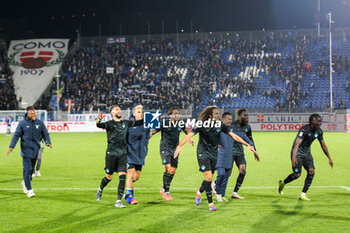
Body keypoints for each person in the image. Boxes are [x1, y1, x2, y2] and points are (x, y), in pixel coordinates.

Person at [174, 106, 259, 211]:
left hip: (214, 154)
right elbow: (189, 135)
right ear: (210, 115)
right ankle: (211, 204)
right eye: (216, 114)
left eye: (219, 113)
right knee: (209, 178)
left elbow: (234, 136)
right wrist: (179, 146)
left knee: (208, 179)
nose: (219, 115)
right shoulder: (201, 124)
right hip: (202, 153)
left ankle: (199, 192)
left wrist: (247, 145)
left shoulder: (220, 125)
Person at [95, 105, 143, 208]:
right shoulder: (109, 124)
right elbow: (98, 125)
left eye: (119, 109)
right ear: (112, 113)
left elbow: (139, 122)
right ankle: (100, 189)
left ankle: (118, 201)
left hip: (122, 155)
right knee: (109, 177)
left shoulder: (125, 123)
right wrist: (99, 119)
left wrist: (154, 118)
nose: (119, 110)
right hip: (111, 155)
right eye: (116, 109)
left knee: (122, 177)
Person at [278, 114, 333, 200]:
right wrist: (293, 158)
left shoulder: (319, 131)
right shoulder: (304, 130)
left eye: (320, 121)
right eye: (317, 121)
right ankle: (283, 183)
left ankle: (303, 194)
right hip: (298, 153)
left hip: (307, 154)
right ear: (312, 122)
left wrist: (329, 158)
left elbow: (323, 145)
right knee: (297, 175)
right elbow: (297, 145)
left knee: (311, 171)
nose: (320, 123)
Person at [7, 106, 52, 198]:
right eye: (31, 113)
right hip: (26, 151)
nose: (33, 115)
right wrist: (12, 146)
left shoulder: (40, 123)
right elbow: (16, 135)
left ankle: (25, 182)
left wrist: (48, 142)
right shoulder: (22, 123)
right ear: (27, 114)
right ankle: (30, 190)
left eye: (34, 113)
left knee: (31, 171)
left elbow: (46, 134)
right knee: (27, 169)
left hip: (36, 150)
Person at [151, 107, 194, 201]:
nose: (177, 115)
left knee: (172, 171)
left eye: (178, 113)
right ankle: (167, 192)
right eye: (175, 113)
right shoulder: (164, 123)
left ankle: (163, 188)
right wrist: (147, 137)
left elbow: (186, 131)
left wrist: (190, 138)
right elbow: (154, 131)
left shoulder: (180, 123)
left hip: (175, 149)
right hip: (165, 148)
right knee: (167, 168)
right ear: (170, 115)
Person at [215, 112, 258, 202]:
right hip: (225, 154)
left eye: (231, 119)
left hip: (235, 153)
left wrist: (250, 145)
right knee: (224, 174)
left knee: (234, 172)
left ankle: (228, 193)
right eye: (228, 119)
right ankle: (214, 187)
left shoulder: (233, 129)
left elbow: (243, 137)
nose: (230, 121)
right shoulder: (218, 128)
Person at [125, 105, 150, 205]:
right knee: (131, 174)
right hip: (130, 153)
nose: (141, 114)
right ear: (134, 113)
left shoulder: (146, 124)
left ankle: (127, 188)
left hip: (140, 154)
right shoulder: (129, 124)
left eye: (142, 112)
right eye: (138, 112)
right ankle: (130, 197)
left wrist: (145, 149)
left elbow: (147, 137)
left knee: (136, 177)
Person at [230, 109, 257, 199]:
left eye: (247, 115)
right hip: (229, 150)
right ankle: (214, 184)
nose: (247, 117)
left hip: (240, 151)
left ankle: (235, 192)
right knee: (227, 173)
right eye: (244, 115)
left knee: (243, 170)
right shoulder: (232, 125)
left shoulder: (248, 127)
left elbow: (250, 139)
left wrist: (254, 151)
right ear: (239, 116)